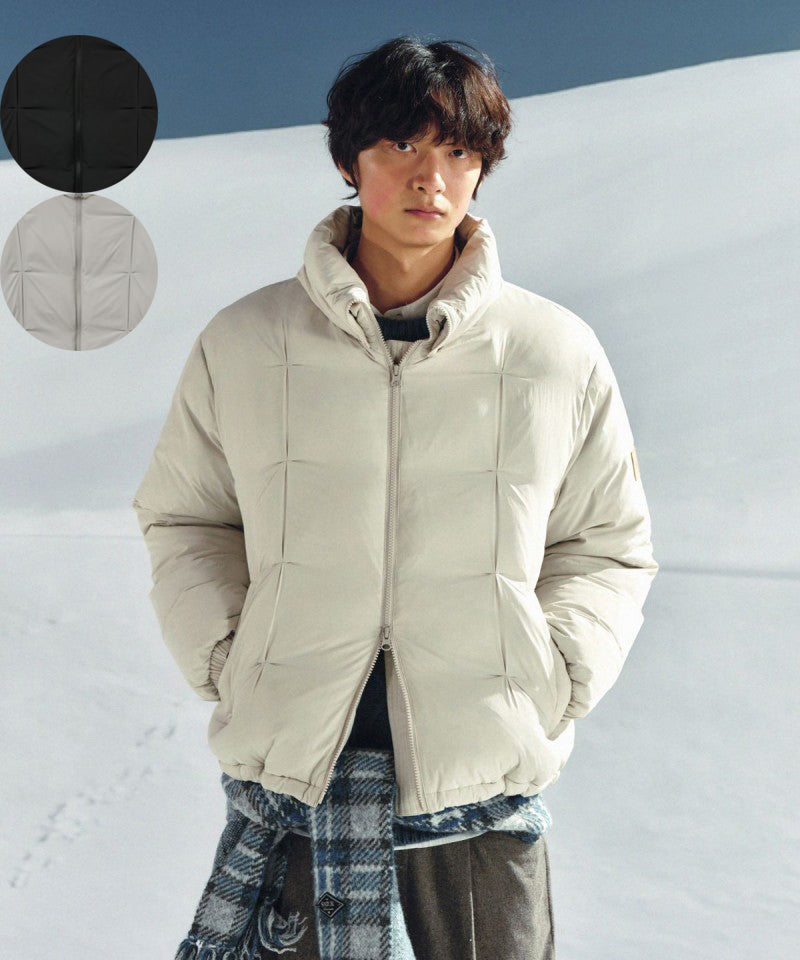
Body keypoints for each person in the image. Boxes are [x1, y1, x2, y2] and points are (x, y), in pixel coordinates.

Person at [132, 35, 658, 960]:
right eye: (401, 145)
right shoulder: (247, 341)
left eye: (457, 150)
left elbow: (605, 543)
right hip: (297, 784)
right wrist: (228, 654)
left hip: (480, 804)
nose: (430, 177)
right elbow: (188, 516)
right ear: (349, 160)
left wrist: (555, 676)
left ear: (483, 167)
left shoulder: (555, 352)